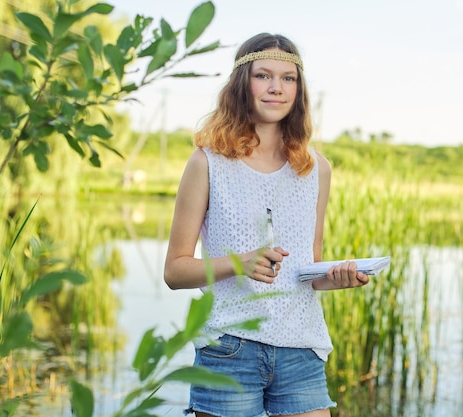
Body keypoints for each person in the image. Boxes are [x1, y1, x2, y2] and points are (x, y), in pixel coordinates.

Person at [164, 32, 370, 417]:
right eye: (264, 76)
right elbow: (175, 271)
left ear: (299, 89)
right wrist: (238, 262)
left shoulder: (316, 169)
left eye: (288, 78)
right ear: (243, 84)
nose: (277, 88)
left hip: (300, 349)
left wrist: (337, 276)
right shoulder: (207, 163)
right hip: (229, 348)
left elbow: (305, 271)